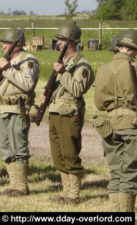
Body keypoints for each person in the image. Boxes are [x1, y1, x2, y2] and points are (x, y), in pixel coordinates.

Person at [94, 29, 137, 212]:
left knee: (116, 173)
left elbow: (99, 103)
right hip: (133, 125)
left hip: (110, 127)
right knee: (131, 175)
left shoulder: (103, 69)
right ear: (133, 49)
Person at [40, 22, 94, 204]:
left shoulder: (81, 65)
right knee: (58, 154)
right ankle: (65, 192)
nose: (59, 43)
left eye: (63, 40)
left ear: (73, 42)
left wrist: (63, 73)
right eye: (59, 39)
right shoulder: (63, 63)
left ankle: (74, 194)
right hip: (56, 112)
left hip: (70, 114)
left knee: (70, 154)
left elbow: (77, 90)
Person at [0, 28, 39, 197]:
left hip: (18, 109)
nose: (3, 46)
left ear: (17, 45)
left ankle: (21, 186)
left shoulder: (28, 60)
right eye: (3, 43)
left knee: (19, 148)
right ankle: (13, 184)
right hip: (2, 108)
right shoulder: (5, 60)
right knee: (6, 148)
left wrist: (8, 68)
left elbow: (27, 84)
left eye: (7, 43)